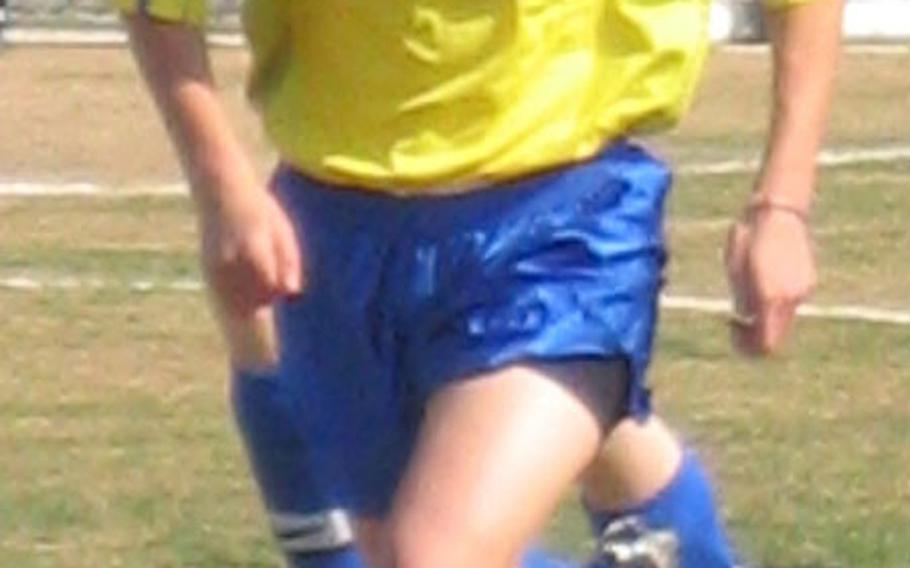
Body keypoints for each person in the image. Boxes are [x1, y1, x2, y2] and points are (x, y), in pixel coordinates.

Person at [114, 0, 843, 566]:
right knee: (399, 545)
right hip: (336, 233)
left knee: (431, 553)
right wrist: (223, 188)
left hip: (561, 217)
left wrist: (782, 203)